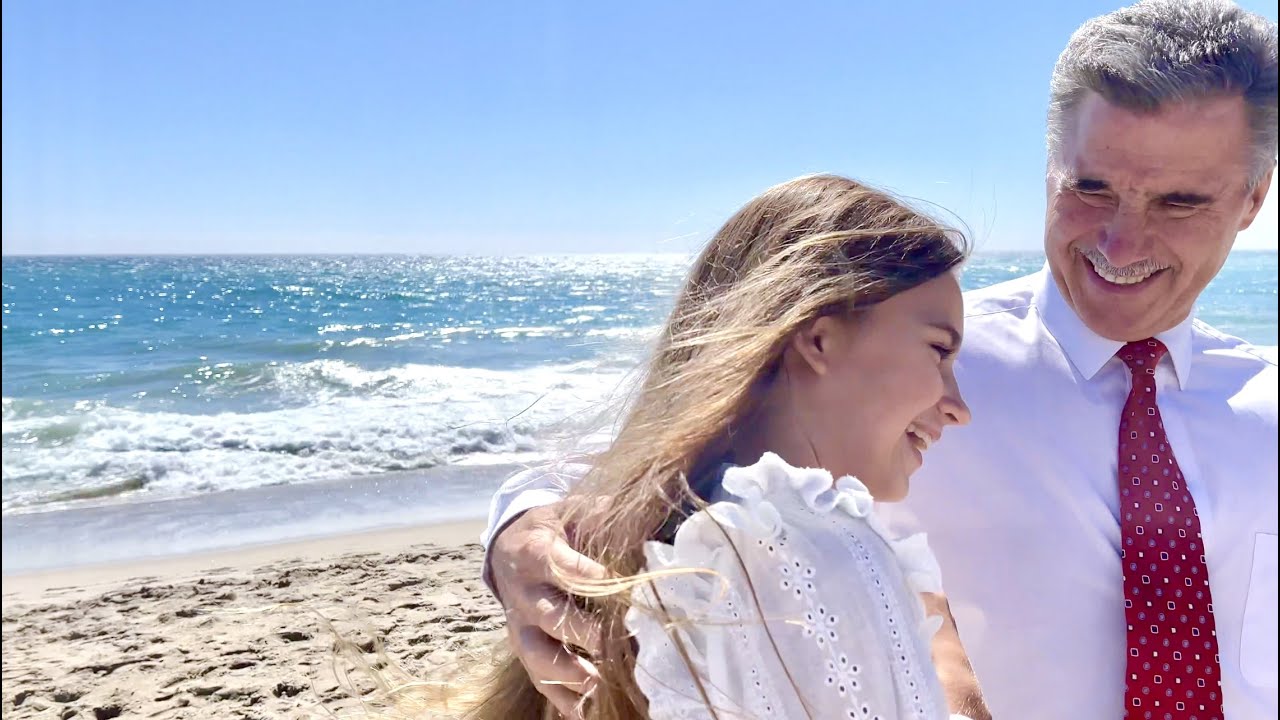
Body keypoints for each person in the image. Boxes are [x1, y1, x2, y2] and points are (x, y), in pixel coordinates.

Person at [481, 0, 1279, 718]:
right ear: (1048, 169)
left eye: (1180, 201)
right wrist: (519, 532)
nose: (1120, 242)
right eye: (1093, 188)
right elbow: (659, 453)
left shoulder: (1268, 401)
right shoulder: (913, 372)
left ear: (1252, 199)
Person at [461, 172, 980, 720]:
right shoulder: (814, 559)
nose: (957, 406)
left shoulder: (672, 549)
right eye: (938, 351)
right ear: (819, 340)